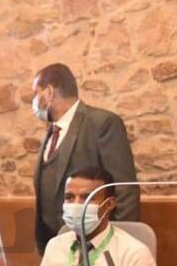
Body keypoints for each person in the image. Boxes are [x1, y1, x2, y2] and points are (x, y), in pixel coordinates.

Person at [31, 63, 140, 255]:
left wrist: (118, 245)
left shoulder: (102, 123)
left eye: (35, 93)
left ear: (49, 93)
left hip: (97, 244)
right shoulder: (52, 132)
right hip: (58, 247)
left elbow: (124, 188)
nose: (33, 101)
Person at [38, 167, 157, 266]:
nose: (76, 205)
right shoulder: (55, 245)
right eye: (69, 197)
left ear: (109, 204)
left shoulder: (135, 254)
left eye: (87, 198)